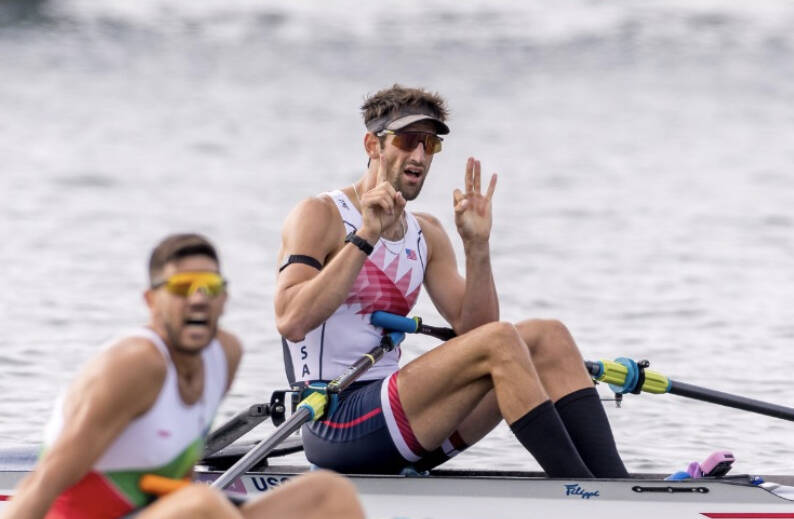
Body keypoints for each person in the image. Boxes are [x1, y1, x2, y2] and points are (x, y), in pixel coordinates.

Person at [274, 84, 629, 478]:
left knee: (548, 336)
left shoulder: (426, 233)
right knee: (502, 342)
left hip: (400, 419)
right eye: (408, 141)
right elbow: (291, 321)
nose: (420, 156)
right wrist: (365, 237)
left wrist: (477, 246)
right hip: (335, 421)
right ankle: (583, 497)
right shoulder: (320, 214)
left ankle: (617, 490)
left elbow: (478, 333)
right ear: (373, 145)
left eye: (430, 145)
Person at [2, 233, 364, 519]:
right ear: (150, 301)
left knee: (327, 494)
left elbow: (179, 466)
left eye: (209, 287)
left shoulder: (225, 355)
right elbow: (44, 483)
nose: (197, 299)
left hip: (153, 508)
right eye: (181, 288)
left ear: (224, 300)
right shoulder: (132, 367)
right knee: (200, 507)